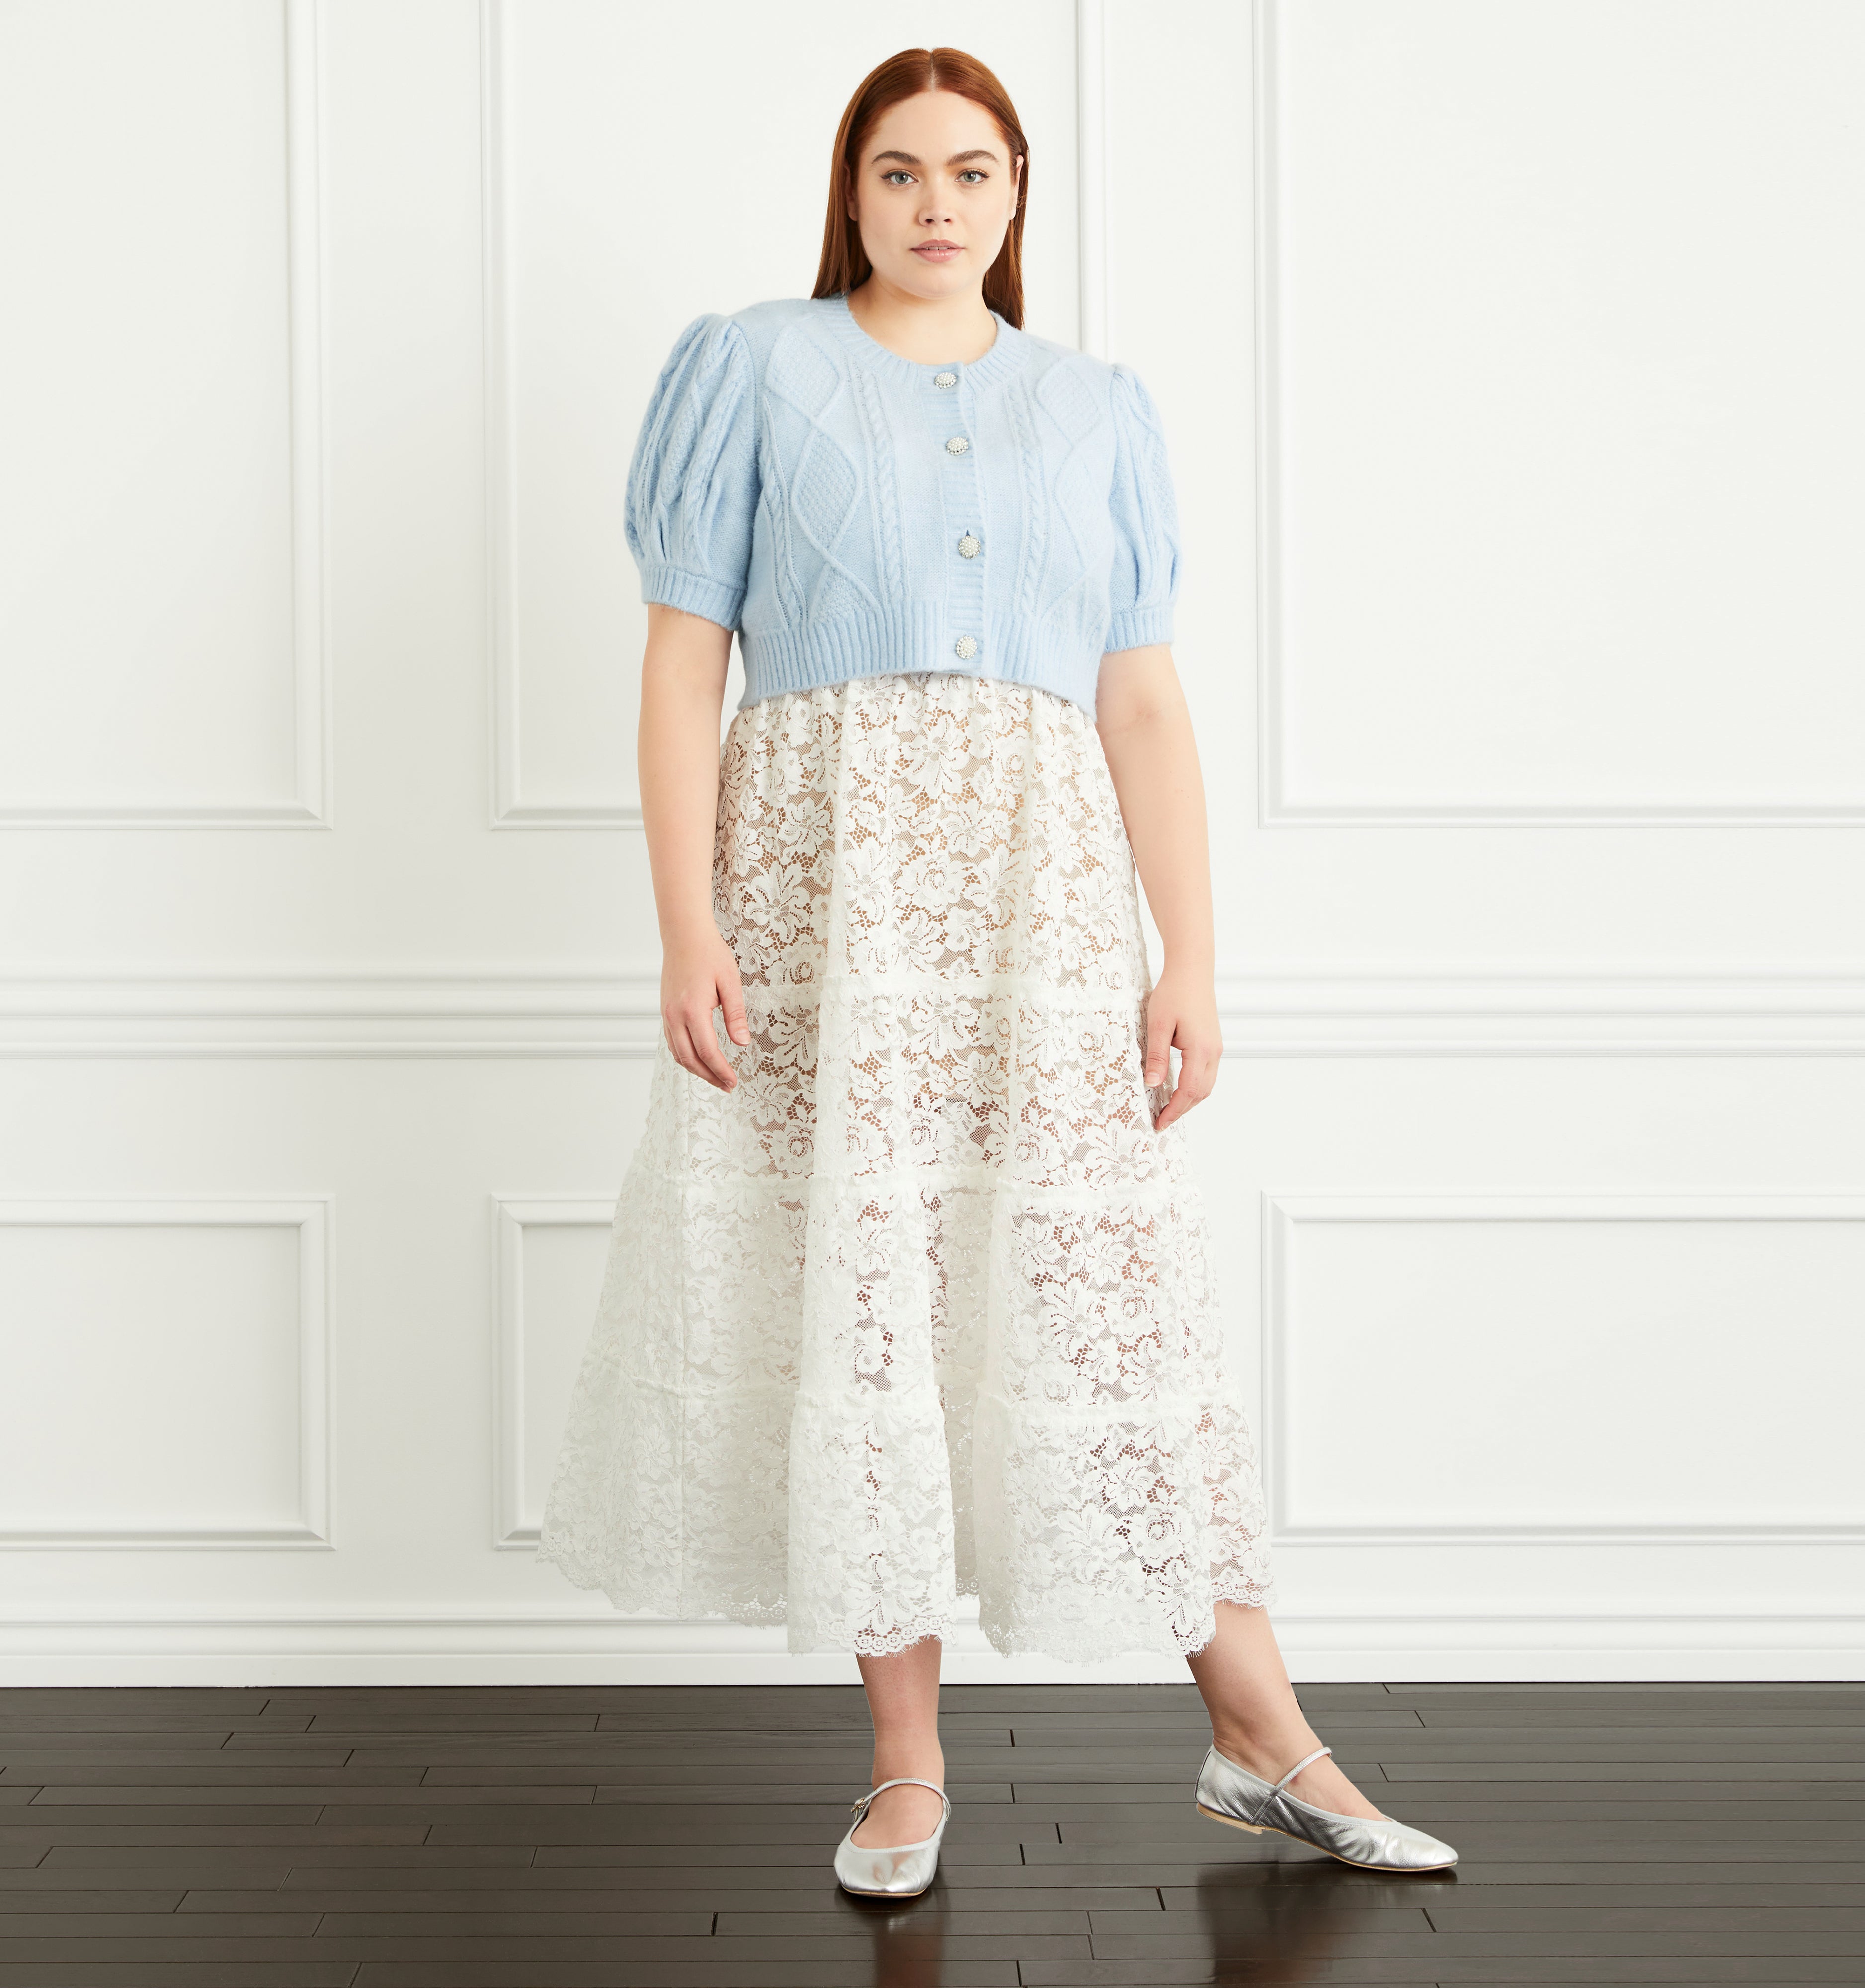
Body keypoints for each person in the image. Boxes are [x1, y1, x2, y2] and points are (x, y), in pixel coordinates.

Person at [535, 45, 1457, 1894]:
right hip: (823, 908)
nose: (935, 204)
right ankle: (903, 1768)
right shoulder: (753, 365)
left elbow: (1141, 699)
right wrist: (685, 924)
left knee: (1102, 1296)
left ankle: (1263, 1734)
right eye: (898, 171)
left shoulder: (1095, 408)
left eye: (970, 170)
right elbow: (679, 668)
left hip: (1042, 912)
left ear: (1017, 191)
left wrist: (1189, 957)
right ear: (850, 191)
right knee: (866, 1291)